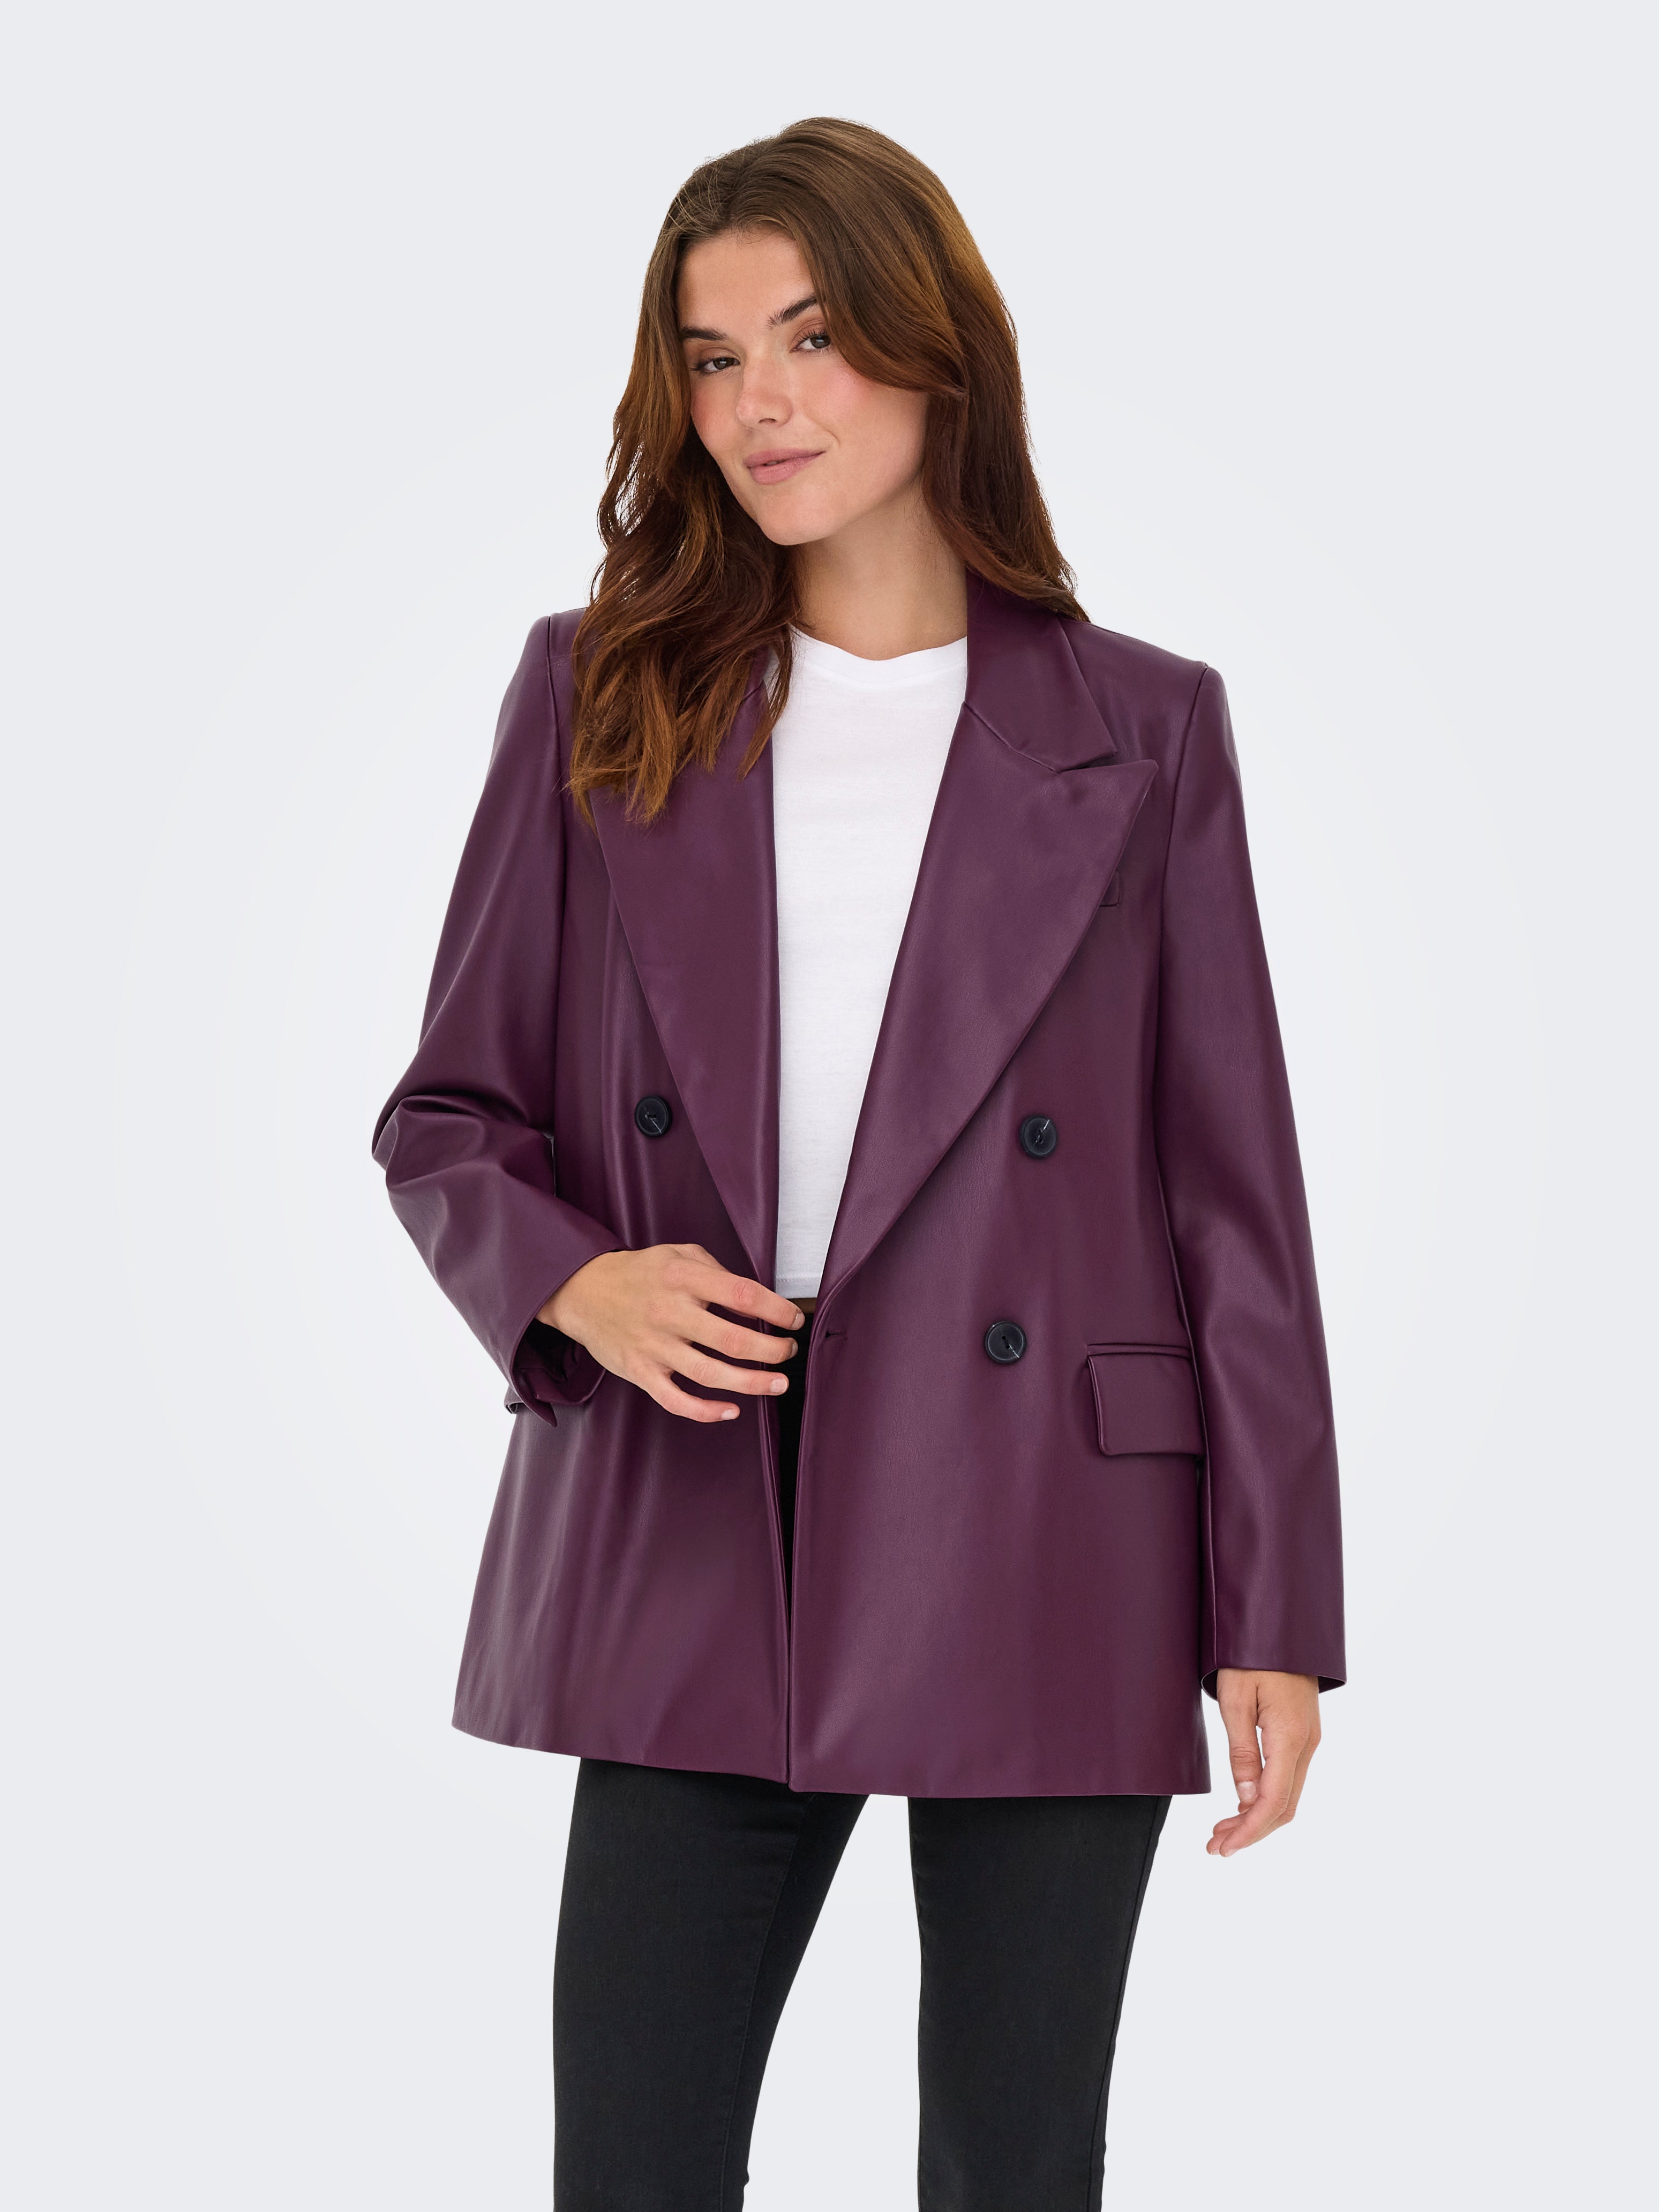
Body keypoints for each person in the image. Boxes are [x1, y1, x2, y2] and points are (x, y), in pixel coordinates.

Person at [373, 115, 1345, 2212]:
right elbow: (445, 1114)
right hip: (700, 1480)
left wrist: (1273, 1604)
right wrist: (577, 1279)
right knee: (633, 2164)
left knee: (1015, 2166)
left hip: (1051, 1508)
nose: (762, 403)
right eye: (714, 357)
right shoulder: (598, 690)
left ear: (933, 349)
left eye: (810, 338)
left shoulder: (1145, 726)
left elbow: (1230, 1198)